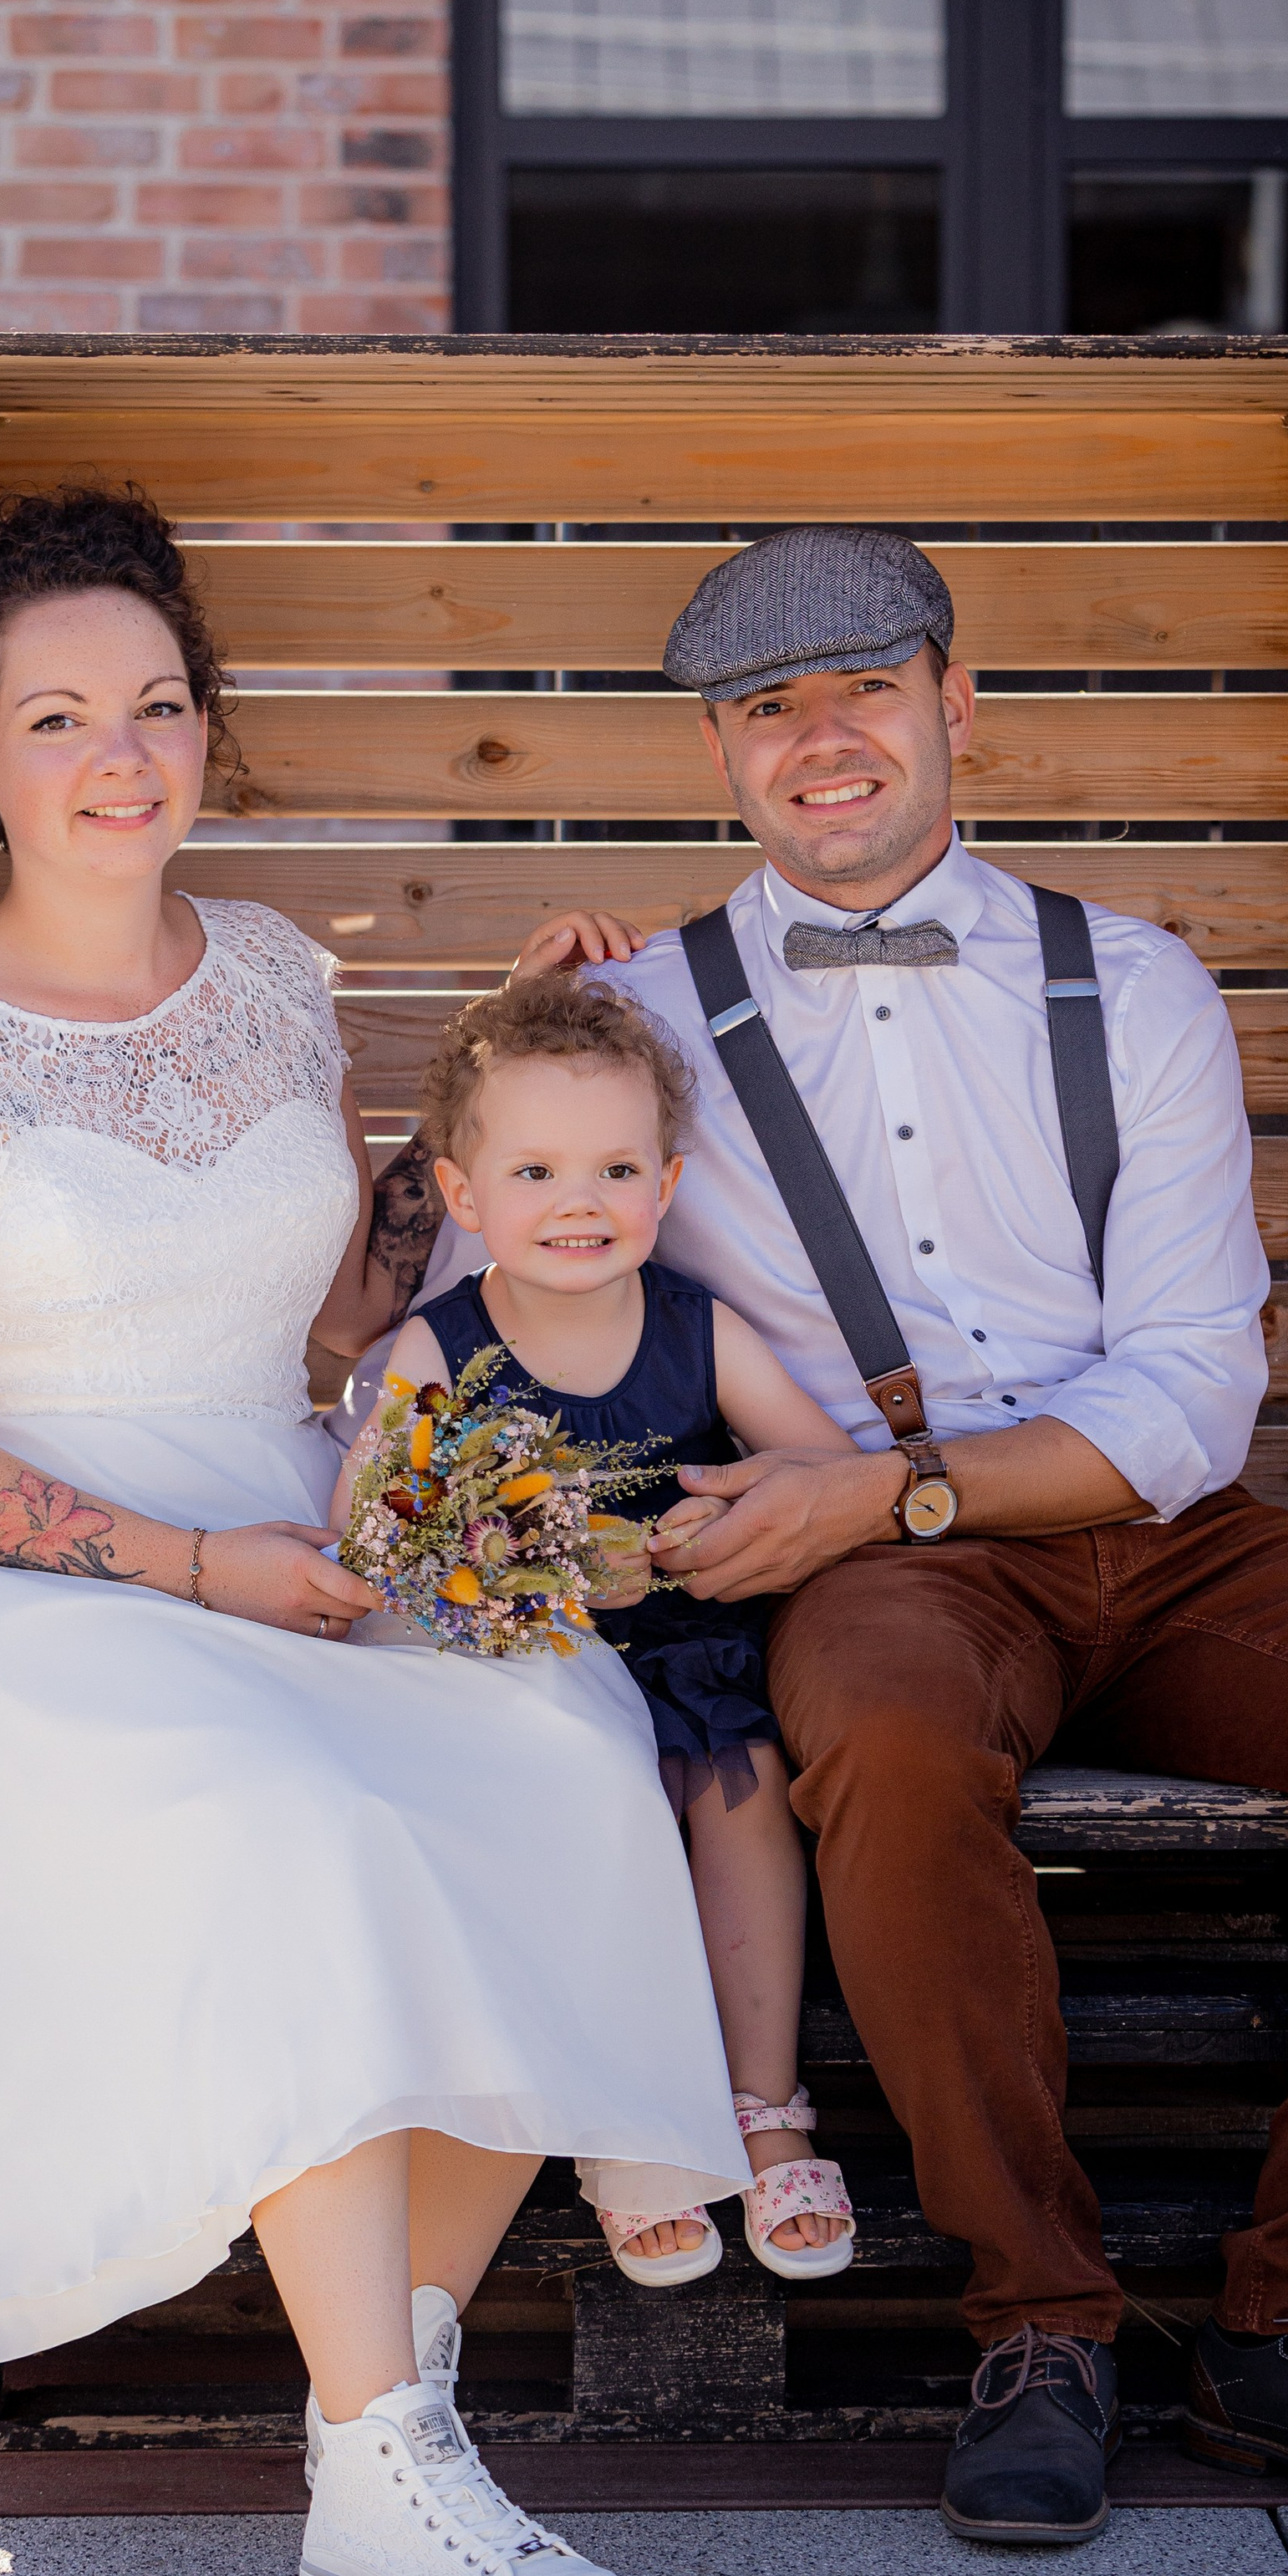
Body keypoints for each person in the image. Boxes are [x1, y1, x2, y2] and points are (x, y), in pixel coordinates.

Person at [530, 524, 1288, 2546]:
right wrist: (509, 1078)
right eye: (767, 709)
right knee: (897, 1740)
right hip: (886, 1581)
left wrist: (902, 1481)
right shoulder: (640, 1017)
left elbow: (1194, 1385)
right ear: (717, 762)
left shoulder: (1132, 982)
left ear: (960, 707)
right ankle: (1041, 2327)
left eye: (864, 685)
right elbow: (498, 1257)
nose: (820, 739)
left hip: (1145, 1523)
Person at [0, 485, 750, 2576]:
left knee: (580, 1759)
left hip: (284, 1498)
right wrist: (192, 1567)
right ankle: (390, 2458)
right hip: (16, 1585)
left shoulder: (280, 974)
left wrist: (471, 1103)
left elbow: (326, 1318)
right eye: (56, 717)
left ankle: (380, 2414)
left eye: (155, 705)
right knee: (299, 1827)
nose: (119, 757)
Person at [343, 977, 858, 2290]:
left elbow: (815, 1473)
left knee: (742, 1800)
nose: (581, 1202)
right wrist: (526, 1558)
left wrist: (714, 1532)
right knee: (592, 1802)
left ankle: (764, 2101)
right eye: (536, 1171)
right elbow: (373, 1531)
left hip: (692, 1651)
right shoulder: (439, 1349)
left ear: (668, 1184)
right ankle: (629, 2128)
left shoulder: (698, 1329)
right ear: (465, 1200)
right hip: (528, 1675)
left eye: (616, 1168)